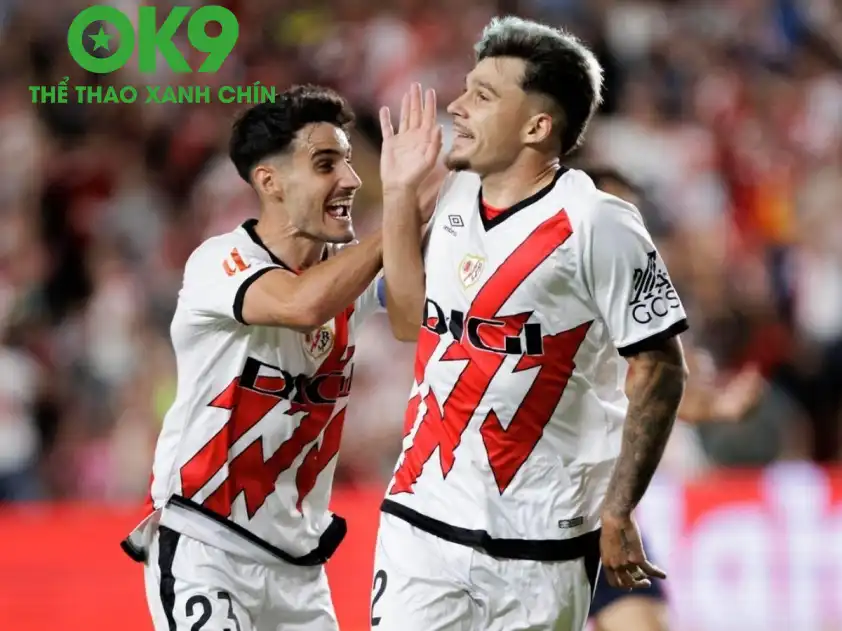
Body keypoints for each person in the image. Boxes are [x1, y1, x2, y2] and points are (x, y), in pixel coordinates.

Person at [373, 16, 689, 631]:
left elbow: (661, 368)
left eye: (483, 95)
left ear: (537, 127)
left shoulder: (599, 223)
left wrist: (619, 507)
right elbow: (412, 322)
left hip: (541, 546)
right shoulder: (454, 197)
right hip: (421, 522)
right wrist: (398, 194)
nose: (458, 107)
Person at [120, 85, 389, 631]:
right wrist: (398, 224)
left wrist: (424, 198)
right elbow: (302, 304)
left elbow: (410, 316)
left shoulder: (349, 269)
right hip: (205, 545)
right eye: (325, 164)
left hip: (298, 568)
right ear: (270, 181)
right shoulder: (219, 261)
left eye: (349, 162)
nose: (350, 179)